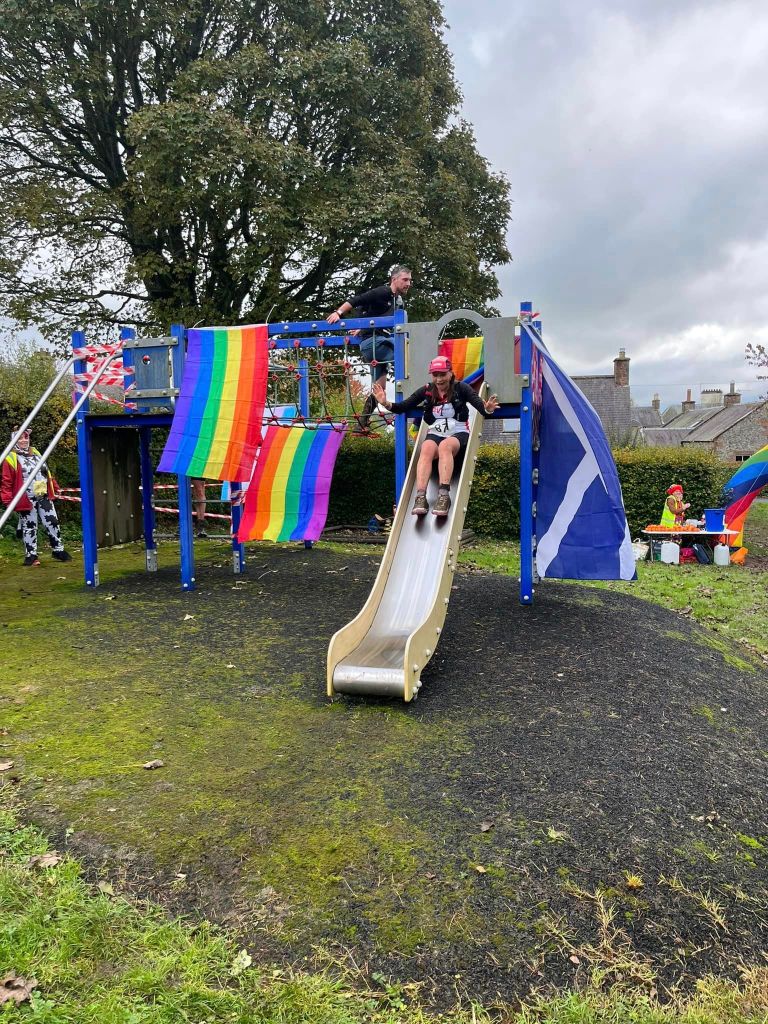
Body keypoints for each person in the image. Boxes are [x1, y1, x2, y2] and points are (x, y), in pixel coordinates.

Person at [373, 355, 499, 517]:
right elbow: (403, 406)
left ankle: (443, 496)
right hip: (435, 433)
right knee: (426, 447)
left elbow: (480, 407)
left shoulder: (462, 388)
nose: (439, 379)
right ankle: (420, 497)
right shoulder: (427, 390)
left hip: (458, 433)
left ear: (450, 373)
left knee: (445, 446)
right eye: (435, 375)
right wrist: (385, 402)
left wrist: (487, 408)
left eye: (443, 374)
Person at [326, 265, 413, 427]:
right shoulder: (383, 292)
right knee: (408, 350)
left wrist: (362, 326)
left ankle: (362, 421)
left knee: (380, 388)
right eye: (405, 280)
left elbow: (371, 314)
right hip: (374, 344)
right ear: (394, 279)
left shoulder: (397, 301)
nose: (408, 283)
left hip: (378, 345)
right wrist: (339, 313)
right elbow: (358, 300)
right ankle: (417, 396)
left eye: (410, 280)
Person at [1, 427, 71, 566]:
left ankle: (58, 550)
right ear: (14, 440)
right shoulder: (10, 458)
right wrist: (8, 500)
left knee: (53, 521)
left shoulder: (36, 453)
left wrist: (55, 487)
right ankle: (31, 555)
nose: (24, 440)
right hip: (25, 498)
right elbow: (6, 481)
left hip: (43, 495)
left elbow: (46, 472)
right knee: (30, 526)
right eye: (20, 438)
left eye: (26, 437)